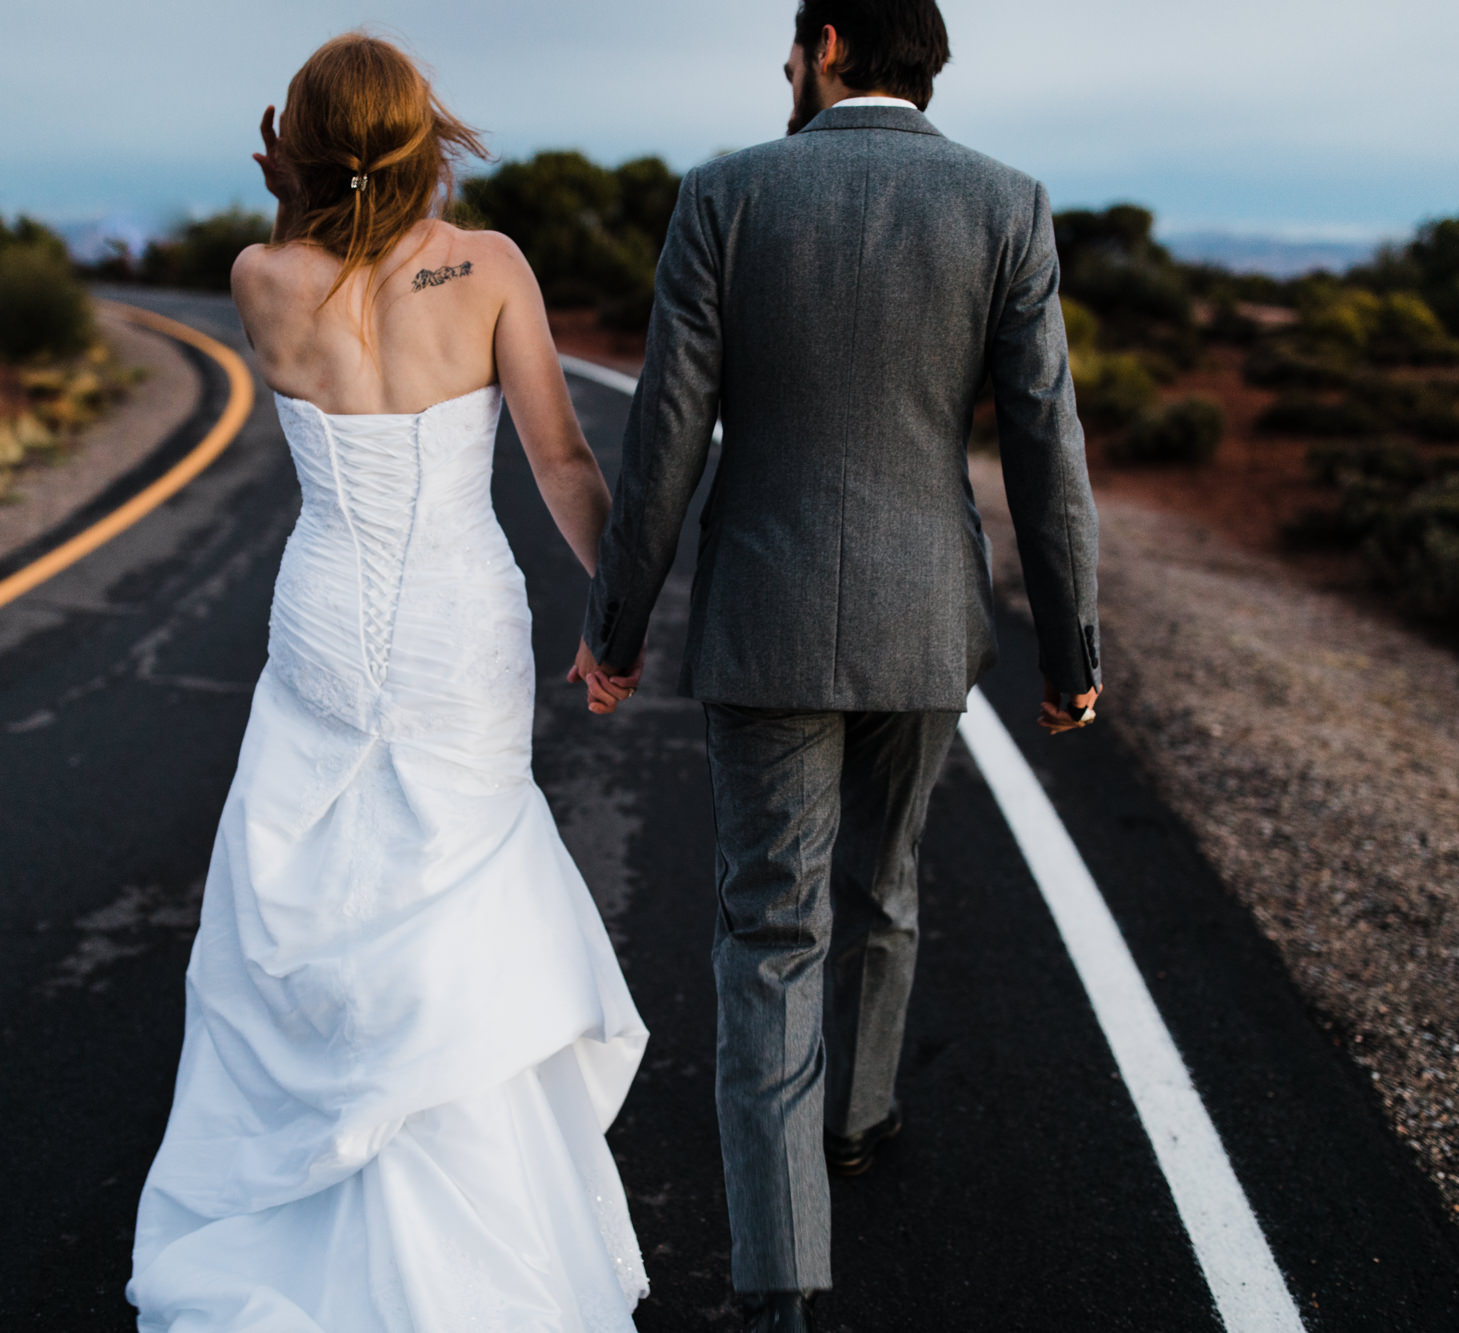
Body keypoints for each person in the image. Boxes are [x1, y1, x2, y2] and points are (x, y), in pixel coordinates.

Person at [572, 2, 1103, 1329]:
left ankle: (781, 1284)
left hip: (769, 614)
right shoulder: (1006, 204)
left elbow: (666, 443)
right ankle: (858, 1118)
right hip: (929, 619)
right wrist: (1073, 639)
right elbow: (1048, 441)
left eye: (790, 52)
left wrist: (617, 624)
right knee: (887, 877)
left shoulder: (725, 195)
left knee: (769, 928)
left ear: (820, 43)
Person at [126, 33, 650, 1331]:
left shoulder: (260, 276)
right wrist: (617, 621)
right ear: (429, 139)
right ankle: (477, 1234)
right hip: (459, 623)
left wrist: (291, 191)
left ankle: (319, 1179)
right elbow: (567, 463)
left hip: (322, 616)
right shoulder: (492, 270)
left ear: (291, 145)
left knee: (314, 890)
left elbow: (323, 245)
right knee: (453, 894)